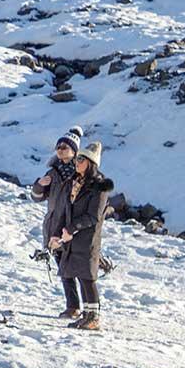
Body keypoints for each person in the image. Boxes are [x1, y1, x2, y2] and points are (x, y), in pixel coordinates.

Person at [46, 141, 112, 330]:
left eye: (81, 159)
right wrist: (57, 233)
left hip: (87, 237)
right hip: (70, 236)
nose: (77, 161)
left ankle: (93, 317)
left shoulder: (100, 186)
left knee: (87, 276)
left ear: (90, 163)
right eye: (77, 158)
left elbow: (93, 216)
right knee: (77, 273)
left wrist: (72, 228)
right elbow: (63, 209)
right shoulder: (73, 182)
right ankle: (86, 313)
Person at [30, 126, 83, 249]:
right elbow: (36, 198)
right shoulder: (52, 173)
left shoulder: (80, 174)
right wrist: (39, 186)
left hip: (70, 227)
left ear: (74, 151)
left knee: (67, 264)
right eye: (58, 147)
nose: (60, 150)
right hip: (51, 225)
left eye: (64, 147)